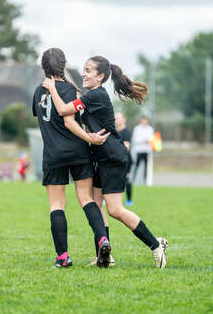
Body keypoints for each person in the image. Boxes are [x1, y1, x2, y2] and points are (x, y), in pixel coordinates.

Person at [43, 55, 168, 268]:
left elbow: (64, 111)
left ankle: (156, 244)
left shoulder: (97, 95)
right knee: (96, 204)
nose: (83, 73)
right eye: (83, 69)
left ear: (100, 76)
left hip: (112, 156)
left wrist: (52, 87)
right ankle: (104, 256)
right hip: (99, 156)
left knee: (115, 209)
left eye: (88, 70)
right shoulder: (91, 95)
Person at [32, 48, 112, 268]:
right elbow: (69, 121)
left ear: (43, 67)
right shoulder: (69, 89)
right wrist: (88, 137)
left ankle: (63, 257)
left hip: (53, 154)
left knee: (57, 205)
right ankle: (102, 239)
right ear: (63, 65)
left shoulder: (39, 92)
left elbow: (47, 120)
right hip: (78, 151)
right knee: (86, 199)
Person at [115, 113, 133, 206]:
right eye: (115, 118)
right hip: (116, 159)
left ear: (124, 119)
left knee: (125, 180)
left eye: (119, 118)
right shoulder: (113, 131)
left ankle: (129, 200)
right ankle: (114, 200)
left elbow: (126, 147)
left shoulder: (126, 132)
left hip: (126, 160)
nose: (117, 120)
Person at [132, 116, 154, 184]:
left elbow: (151, 139)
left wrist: (146, 139)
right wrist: (145, 139)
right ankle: (133, 180)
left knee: (146, 167)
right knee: (137, 165)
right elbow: (136, 139)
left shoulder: (150, 128)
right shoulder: (137, 128)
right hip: (139, 150)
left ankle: (146, 181)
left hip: (147, 150)